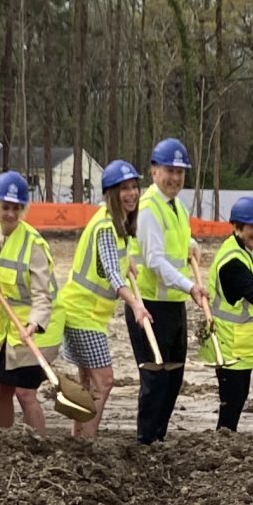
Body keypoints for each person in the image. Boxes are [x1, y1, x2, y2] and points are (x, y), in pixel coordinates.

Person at [56, 161, 155, 443]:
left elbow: (115, 260)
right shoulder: (105, 226)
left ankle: (77, 438)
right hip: (81, 313)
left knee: (87, 382)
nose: (131, 194)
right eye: (124, 189)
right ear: (111, 193)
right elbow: (112, 272)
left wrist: (129, 260)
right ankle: (87, 440)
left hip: (90, 315)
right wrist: (136, 305)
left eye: (134, 187)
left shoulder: (118, 224)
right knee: (105, 381)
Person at [130, 136, 198, 444]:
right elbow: (155, 260)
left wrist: (191, 244)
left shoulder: (177, 207)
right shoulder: (148, 208)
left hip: (173, 303)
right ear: (154, 171)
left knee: (173, 377)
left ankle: (159, 437)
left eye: (180, 172)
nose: (175, 178)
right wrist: (190, 286)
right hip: (150, 305)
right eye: (169, 171)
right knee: (155, 378)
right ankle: (146, 440)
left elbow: (176, 242)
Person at [202, 196, 253, 433]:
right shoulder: (232, 261)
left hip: (242, 341)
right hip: (228, 342)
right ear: (238, 227)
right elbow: (252, 292)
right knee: (232, 398)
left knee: (239, 396)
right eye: (252, 227)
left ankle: (227, 437)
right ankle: (223, 438)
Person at [0, 170, 58, 433]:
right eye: (6, 207)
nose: (11, 214)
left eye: (16, 208)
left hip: (37, 328)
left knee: (25, 393)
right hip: (9, 329)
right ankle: (2, 441)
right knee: (2, 389)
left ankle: (39, 446)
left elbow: (43, 295)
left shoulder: (33, 244)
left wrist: (34, 324)